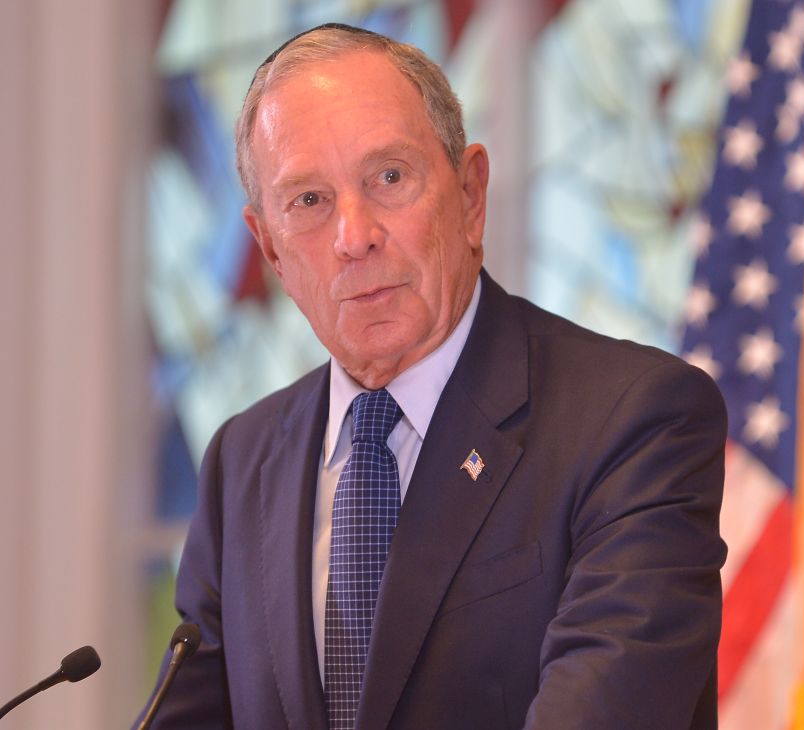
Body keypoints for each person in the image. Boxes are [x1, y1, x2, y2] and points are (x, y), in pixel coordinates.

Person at [139, 22, 727, 730]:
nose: (353, 236)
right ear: (269, 249)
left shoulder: (634, 419)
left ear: (471, 195)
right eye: (309, 202)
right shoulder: (242, 461)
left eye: (389, 177)